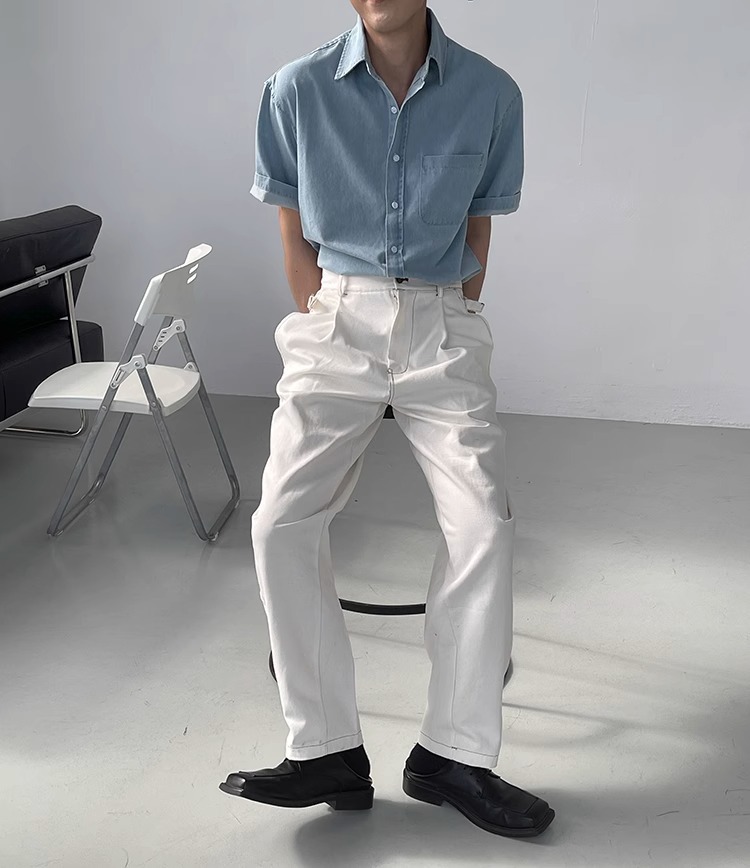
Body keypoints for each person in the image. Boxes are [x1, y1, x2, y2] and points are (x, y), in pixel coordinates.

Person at [220, 0, 555, 838]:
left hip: (441, 321)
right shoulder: (294, 90)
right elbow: (293, 232)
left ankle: (455, 756)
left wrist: (450, 314)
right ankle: (325, 749)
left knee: (483, 526)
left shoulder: (491, 93)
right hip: (338, 318)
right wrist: (326, 318)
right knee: (279, 522)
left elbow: (479, 228)